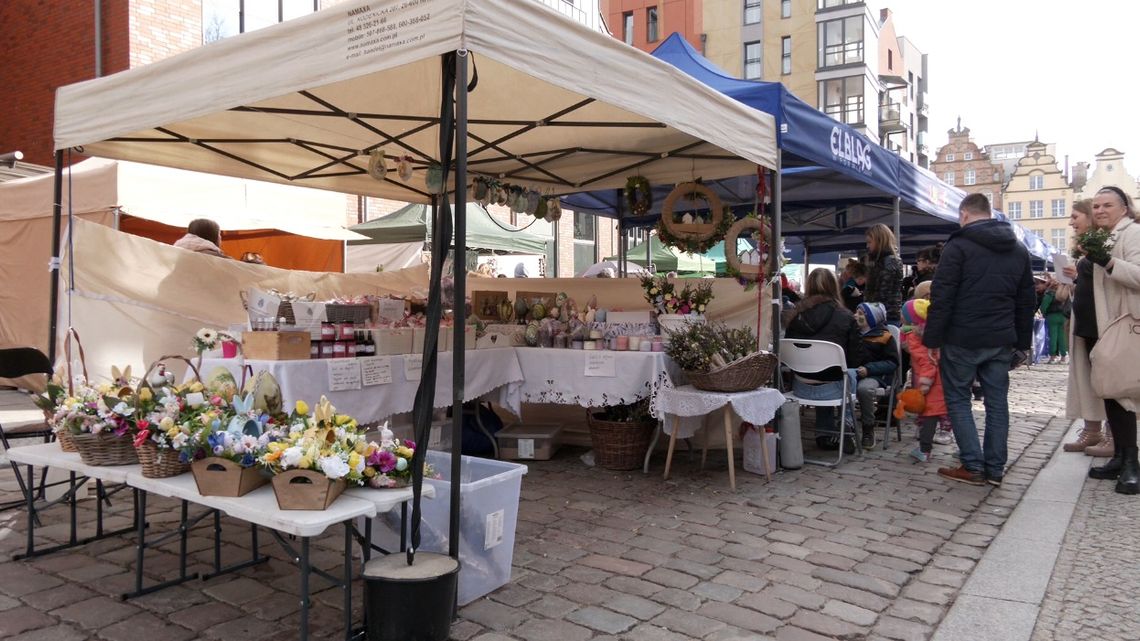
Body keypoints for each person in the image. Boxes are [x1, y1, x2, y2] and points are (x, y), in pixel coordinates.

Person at [924, 193, 1035, 486]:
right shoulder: (1018, 249)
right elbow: (1026, 301)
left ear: (964, 215)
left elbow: (942, 295)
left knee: (959, 399)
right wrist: (1023, 344)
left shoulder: (958, 246)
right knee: (997, 403)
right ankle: (995, 469)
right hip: (1000, 339)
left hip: (962, 337)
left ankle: (973, 465)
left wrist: (932, 340)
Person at [1082, 186, 1140, 495]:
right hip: (1106, 323)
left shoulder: (1132, 234)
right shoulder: (1105, 236)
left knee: (1122, 392)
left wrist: (1108, 261)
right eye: (1096, 206)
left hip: (1126, 321)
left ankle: (1132, 463)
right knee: (1110, 390)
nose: (1100, 210)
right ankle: (1119, 456)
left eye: (1107, 205)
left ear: (1124, 208)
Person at [783, 268, 868, 452]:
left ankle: (824, 433)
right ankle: (846, 424)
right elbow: (856, 358)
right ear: (834, 287)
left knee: (821, 368)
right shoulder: (845, 316)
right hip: (834, 390)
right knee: (845, 371)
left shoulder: (794, 317)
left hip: (800, 387)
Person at [1062, 199, 1110, 454]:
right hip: (1086, 322)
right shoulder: (1083, 247)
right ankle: (1092, 430)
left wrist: (1078, 276)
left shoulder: (1105, 243)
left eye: (1075, 216)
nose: (1071, 222)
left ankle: (1113, 435)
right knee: (1088, 379)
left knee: (1111, 382)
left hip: (1104, 323)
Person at [901, 298, 947, 462]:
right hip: (941, 381)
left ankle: (924, 450)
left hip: (930, 384)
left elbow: (926, 363)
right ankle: (966, 449)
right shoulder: (932, 333)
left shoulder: (916, 337)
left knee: (929, 415)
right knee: (936, 415)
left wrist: (925, 383)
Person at [852, 302, 898, 448]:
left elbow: (892, 362)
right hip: (854, 372)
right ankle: (845, 426)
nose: (856, 316)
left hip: (875, 376)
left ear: (872, 319)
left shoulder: (884, 336)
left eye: (861, 314)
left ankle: (868, 428)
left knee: (864, 390)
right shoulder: (852, 333)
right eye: (856, 312)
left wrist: (870, 369)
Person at [864, 224, 904, 325]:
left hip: (885, 316)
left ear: (879, 241)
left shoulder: (889, 261)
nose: (867, 246)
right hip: (882, 313)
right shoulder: (882, 260)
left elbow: (883, 293)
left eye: (869, 242)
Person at [1038, 277, 1071, 364]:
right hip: (1063, 316)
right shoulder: (1063, 293)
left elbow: (1044, 306)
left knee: (1053, 336)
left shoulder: (1049, 294)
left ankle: (1053, 357)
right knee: (1062, 337)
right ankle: (1063, 356)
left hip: (1052, 316)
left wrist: (1043, 313)